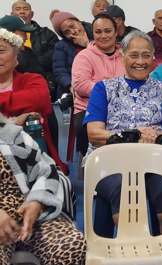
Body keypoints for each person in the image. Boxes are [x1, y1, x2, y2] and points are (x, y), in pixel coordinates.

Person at [84, 30, 162, 265]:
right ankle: (133, 264)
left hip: (156, 156)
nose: (140, 61)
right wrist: (129, 137)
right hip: (112, 160)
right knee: (124, 189)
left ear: (154, 59)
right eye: (133, 55)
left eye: (146, 55)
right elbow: (94, 133)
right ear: (122, 57)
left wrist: (156, 137)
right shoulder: (103, 88)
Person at [0, 113, 85, 265]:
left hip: (31, 219)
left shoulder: (11, 135)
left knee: (71, 244)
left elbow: (48, 171)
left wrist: (37, 202)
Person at [0, 28, 68, 172]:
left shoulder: (32, 80)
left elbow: (41, 100)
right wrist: (16, 120)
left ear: (15, 58)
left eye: (1, 50)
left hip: (31, 159)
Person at [71, 14, 125, 157]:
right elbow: (81, 85)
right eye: (98, 32)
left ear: (116, 32)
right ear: (93, 34)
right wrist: (111, 88)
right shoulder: (84, 56)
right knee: (86, 130)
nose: (103, 36)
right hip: (89, 107)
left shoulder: (126, 55)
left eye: (107, 31)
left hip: (124, 106)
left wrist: (109, 86)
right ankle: (94, 168)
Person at [10, 0, 59, 75]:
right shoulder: (6, 35)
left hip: (42, 76)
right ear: (12, 15)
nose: (22, 11)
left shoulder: (45, 33)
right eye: (18, 9)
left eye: (26, 9)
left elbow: (55, 53)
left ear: (32, 14)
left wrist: (32, 63)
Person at [51, 11, 91, 99]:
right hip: (73, 88)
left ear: (79, 22)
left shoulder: (97, 33)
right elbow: (59, 71)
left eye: (72, 26)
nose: (72, 32)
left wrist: (87, 44)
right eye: (66, 32)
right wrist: (70, 85)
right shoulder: (61, 46)